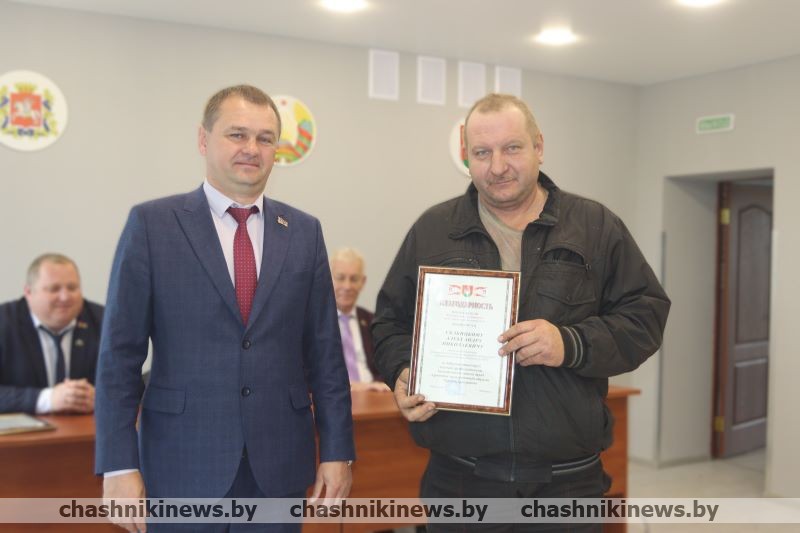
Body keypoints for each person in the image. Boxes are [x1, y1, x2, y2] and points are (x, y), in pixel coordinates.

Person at [372, 93, 670, 532]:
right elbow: (390, 323)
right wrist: (402, 371)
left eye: (512, 148)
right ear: (466, 156)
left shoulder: (594, 226)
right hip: (461, 480)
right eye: (482, 153)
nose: (497, 166)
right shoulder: (434, 229)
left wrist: (569, 343)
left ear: (539, 147)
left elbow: (645, 317)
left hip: (566, 484)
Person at [95, 85, 354, 532]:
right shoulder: (152, 225)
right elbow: (119, 355)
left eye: (265, 138)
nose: (252, 148)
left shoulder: (304, 231)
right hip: (182, 466)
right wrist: (118, 464)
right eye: (237, 134)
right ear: (203, 139)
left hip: (280, 468)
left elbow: (325, 354)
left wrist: (337, 451)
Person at [0, 253, 102, 415]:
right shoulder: (4, 322)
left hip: (86, 427)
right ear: (28, 292)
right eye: (54, 289)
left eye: (72, 288)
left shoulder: (103, 321)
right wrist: (47, 399)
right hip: (24, 430)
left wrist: (101, 397)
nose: (65, 297)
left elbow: (127, 382)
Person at [330, 248, 389, 392]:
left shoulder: (374, 322)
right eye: (340, 278)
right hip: (333, 396)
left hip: (373, 396)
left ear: (363, 282)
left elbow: (386, 368)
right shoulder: (314, 324)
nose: (347, 286)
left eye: (354, 279)